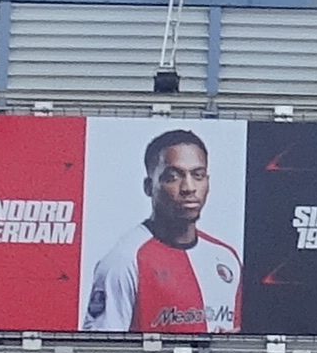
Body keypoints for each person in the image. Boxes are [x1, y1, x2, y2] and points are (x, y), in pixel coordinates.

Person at [78, 122, 243, 334]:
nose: (189, 188)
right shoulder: (123, 261)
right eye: (173, 177)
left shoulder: (226, 257)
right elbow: (100, 352)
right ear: (149, 187)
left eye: (198, 175)